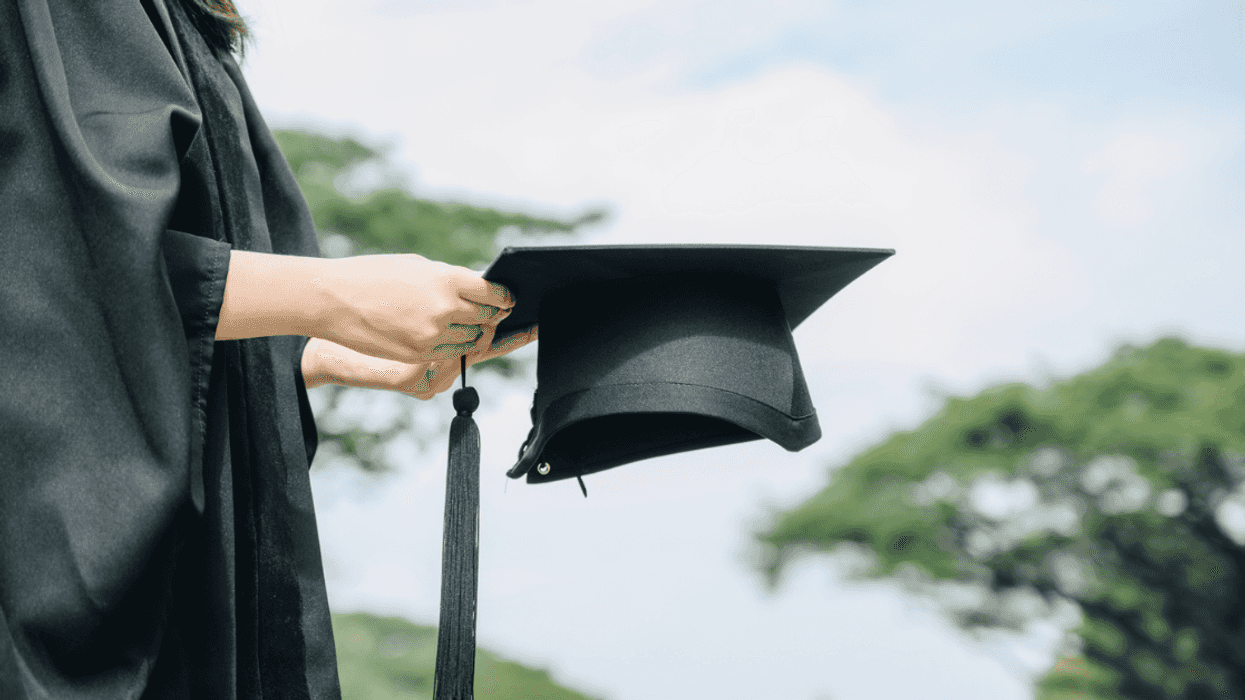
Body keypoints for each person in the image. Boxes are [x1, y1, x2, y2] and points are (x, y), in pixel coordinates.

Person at [0, 0, 534, 698]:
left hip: (208, 596)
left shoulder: (186, 22)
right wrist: (328, 296)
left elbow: (148, 317)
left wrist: (312, 355)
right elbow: (47, 267)